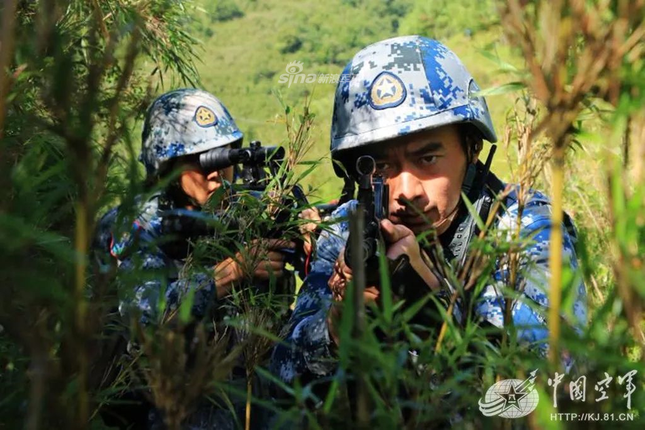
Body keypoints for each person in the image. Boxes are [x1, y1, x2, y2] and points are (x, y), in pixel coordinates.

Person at [271, 36, 588, 385]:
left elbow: (554, 382)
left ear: (471, 149)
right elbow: (280, 378)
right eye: (381, 167)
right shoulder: (349, 232)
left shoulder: (526, 229)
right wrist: (334, 329)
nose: (407, 191)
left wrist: (430, 299)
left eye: (427, 159)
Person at [94, 88, 311, 429]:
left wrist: (308, 236)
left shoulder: (250, 208)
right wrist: (231, 272)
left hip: (259, 399)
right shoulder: (136, 225)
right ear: (165, 168)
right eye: (200, 160)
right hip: (170, 404)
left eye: (223, 156)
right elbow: (148, 318)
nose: (216, 171)